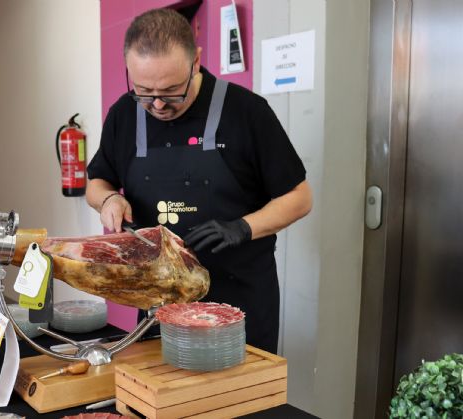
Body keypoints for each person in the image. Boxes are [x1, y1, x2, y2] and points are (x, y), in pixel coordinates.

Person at [86, 8, 312, 353]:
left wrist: (242, 227)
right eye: (144, 91)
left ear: (196, 63)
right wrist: (108, 200)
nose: (158, 104)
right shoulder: (124, 115)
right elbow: (97, 182)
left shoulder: (247, 113)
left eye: (172, 91)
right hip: (159, 302)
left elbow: (299, 197)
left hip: (240, 301)